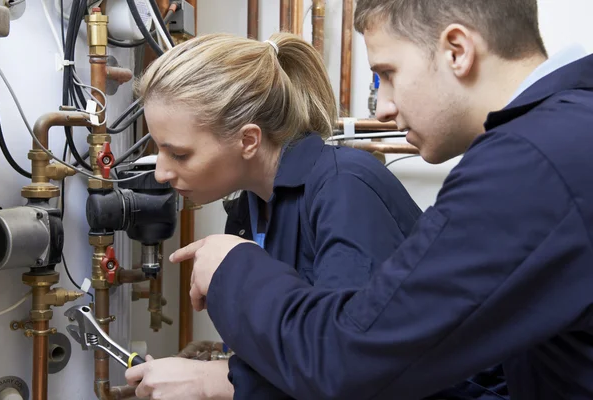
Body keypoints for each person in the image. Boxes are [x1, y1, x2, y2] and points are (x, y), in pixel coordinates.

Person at [172, 0, 593, 399]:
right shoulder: (566, 135)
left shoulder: (529, 162)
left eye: (387, 74)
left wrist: (232, 266)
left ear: (457, 51)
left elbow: (346, 362)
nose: (384, 108)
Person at [124, 31, 425, 399]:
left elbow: (356, 371)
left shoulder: (345, 188)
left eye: (180, 154)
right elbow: (284, 356)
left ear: (248, 140)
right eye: (160, 150)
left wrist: (216, 383)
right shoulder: (250, 210)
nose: (161, 173)